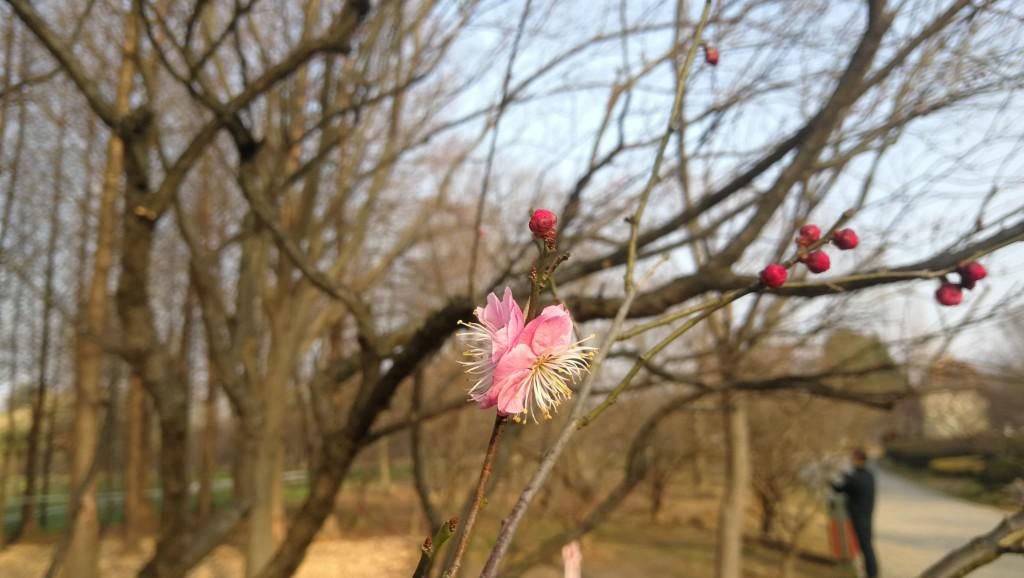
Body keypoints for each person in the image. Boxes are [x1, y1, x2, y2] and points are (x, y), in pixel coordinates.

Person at [832, 448, 878, 578]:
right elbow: (851, 482)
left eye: (853, 458)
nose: (851, 461)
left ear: (859, 460)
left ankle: (872, 574)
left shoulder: (857, 477)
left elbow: (840, 488)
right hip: (866, 516)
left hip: (860, 518)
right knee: (866, 546)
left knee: (866, 548)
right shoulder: (868, 475)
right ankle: (871, 572)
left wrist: (831, 479)